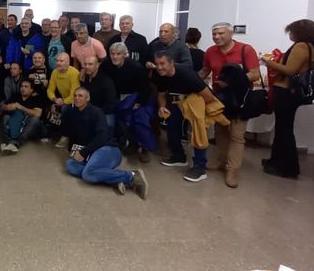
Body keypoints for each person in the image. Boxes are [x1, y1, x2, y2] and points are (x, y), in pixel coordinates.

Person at [198, 22, 261, 188]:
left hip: (240, 99)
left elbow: (255, 74)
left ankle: (232, 170)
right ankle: (222, 161)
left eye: (221, 34)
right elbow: (205, 71)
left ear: (231, 34)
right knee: (220, 131)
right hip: (219, 98)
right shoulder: (211, 51)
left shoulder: (245, 50)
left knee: (237, 135)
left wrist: (232, 81)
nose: (217, 37)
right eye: (214, 34)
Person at [259, 19, 314, 179]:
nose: (290, 35)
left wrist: (268, 62)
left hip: (286, 91)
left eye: (291, 31)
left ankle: (286, 167)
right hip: (293, 93)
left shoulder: (301, 46)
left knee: (284, 130)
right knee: (284, 129)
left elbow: (289, 70)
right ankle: (276, 162)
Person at [64, 87, 148, 199]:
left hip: (108, 149)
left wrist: (84, 152)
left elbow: (102, 137)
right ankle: (113, 178)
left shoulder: (96, 112)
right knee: (70, 165)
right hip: (91, 153)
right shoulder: (72, 113)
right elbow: (73, 136)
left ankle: (131, 176)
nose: (77, 98)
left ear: (87, 98)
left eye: (81, 96)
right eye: (75, 95)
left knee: (87, 174)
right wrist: (74, 151)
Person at [155, 51, 223, 183]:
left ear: (171, 63)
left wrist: (202, 114)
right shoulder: (161, 76)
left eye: (162, 63)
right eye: (157, 64)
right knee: (172, 128)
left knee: (197, 133)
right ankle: (179, 156)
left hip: (195, 102)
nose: (159, 67)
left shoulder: (187, 75)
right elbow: (161, 94)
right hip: (175, 102)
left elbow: (208, 96)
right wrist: (162, 106)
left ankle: (199, 167)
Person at [101, 42, 152, 162]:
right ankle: (132, 144)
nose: (115, 57)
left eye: (118, 54)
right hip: (116, 99)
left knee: (140, 120)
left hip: (136, 98)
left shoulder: (136, 67)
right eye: (112, 54)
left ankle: (145, 148)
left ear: (125, 55)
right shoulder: (107, 65)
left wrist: (138, 102)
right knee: (120, 123)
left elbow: (145, 88)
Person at [0, 79, 44, 154]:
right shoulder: (15, 96)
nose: (23, 88)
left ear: (31, 90)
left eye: (26, 87)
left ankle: (16, 143)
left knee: (35, 120)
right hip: (17, 125)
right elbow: (2, 107)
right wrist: (8, 107)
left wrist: (21, 107)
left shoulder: (36, 98)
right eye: (21, 86)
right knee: (6, 117)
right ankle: (10, 141)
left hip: (31, 128)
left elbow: (38, 114)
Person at [47, 53, 81, 148]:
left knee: (65, 109)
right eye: (57, 60)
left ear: (68, 62)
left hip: (76, 101)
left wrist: (63, 102)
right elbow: (50, 90)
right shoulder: (54, 72)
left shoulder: (74, 73)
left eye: (61, 61)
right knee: (50, 106)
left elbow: (75, 95)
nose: (58, 63)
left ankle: (65, 137)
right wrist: (54, 99)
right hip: (62, 99)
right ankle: (51, 132)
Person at [79, 56, 117, 125]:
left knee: (107, 123)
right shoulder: (84, 78)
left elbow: (111, 105)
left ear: (97, 65)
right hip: (88, 110)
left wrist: (95, 113)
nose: (87, 67)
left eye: (90, 64)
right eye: (85, 64)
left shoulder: (106, 81)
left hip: (104, 112)